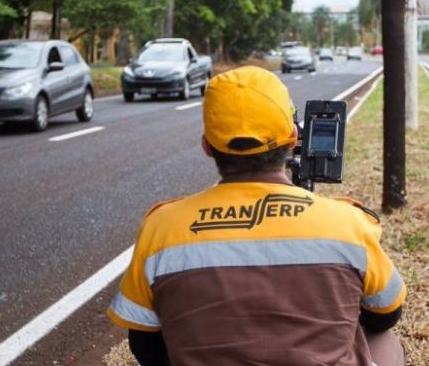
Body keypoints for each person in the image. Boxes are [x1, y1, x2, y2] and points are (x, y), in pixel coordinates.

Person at [107, 66, 407, 366]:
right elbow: (386, 314)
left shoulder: (161, 227)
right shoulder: (347, 223)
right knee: (386, 342)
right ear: (292, 138)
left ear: (207, 146)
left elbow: (144, 343)